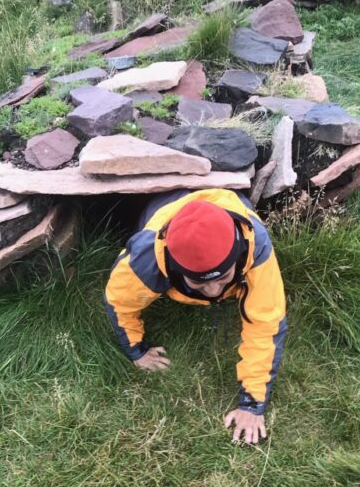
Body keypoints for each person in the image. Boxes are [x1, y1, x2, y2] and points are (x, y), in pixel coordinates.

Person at [104, 188, 287, 444]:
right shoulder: (145, 259)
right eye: (198, 283)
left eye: (224, 278)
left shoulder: (256, 244)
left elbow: (266, 323)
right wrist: (137, 350)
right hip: (160, 204)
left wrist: (252, 403)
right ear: (172, 267)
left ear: (240, 252)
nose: (215, 291)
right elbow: (119, 302)